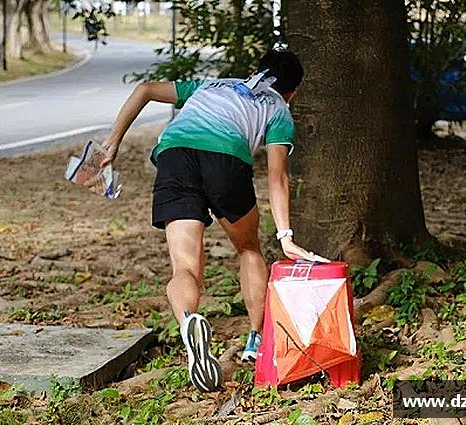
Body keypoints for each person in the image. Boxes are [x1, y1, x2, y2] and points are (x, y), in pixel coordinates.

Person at [100, 49, 328, 392]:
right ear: (293, 93)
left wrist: (112, 143)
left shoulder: (213, 84)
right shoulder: (278, 108)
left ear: (256, 70)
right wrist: (285, 235)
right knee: (249, 247)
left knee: (184, 268)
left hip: (175, 156)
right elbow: (277, 176)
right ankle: (254, 340)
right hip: (225, 162)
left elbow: (145, 89)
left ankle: (189, 320)